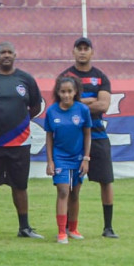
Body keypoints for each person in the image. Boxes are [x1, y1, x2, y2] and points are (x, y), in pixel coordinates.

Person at [0, 41, 44, 239]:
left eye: (9, 52)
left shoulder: (26, 79)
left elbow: (35, 107)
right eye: (2, 52)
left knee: (20, 186)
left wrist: (19, 123)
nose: (6, 55)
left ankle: (24, 227)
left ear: (15, 55)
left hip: (19, 143)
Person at [61, 37, 118, 238]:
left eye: (86, 48)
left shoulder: (101, 77)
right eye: (79, 48)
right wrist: (89, 101)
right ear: (74, 51)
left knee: (106, 181)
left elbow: (103, 105)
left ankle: (108, 227)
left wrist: (79, 103)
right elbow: (64, 105)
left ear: (92, 52)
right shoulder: (65, 76)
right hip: (74, 138)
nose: (83, 52)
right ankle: (68, 226)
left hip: (98, 135)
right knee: (72, 184)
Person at [43, 75, 92, 245]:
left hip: (78, 157)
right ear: (58, 92)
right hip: (60, 157)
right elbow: (49, 137)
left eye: (69, 91)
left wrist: (86, 158)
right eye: (63, 91)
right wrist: (50, 160)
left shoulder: (82, 110)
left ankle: (73, 228)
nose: (66, 95)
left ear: (75, 92)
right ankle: (61, 231)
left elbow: (87, 134)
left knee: (75, 193)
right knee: (63, 191)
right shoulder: (52, 111)